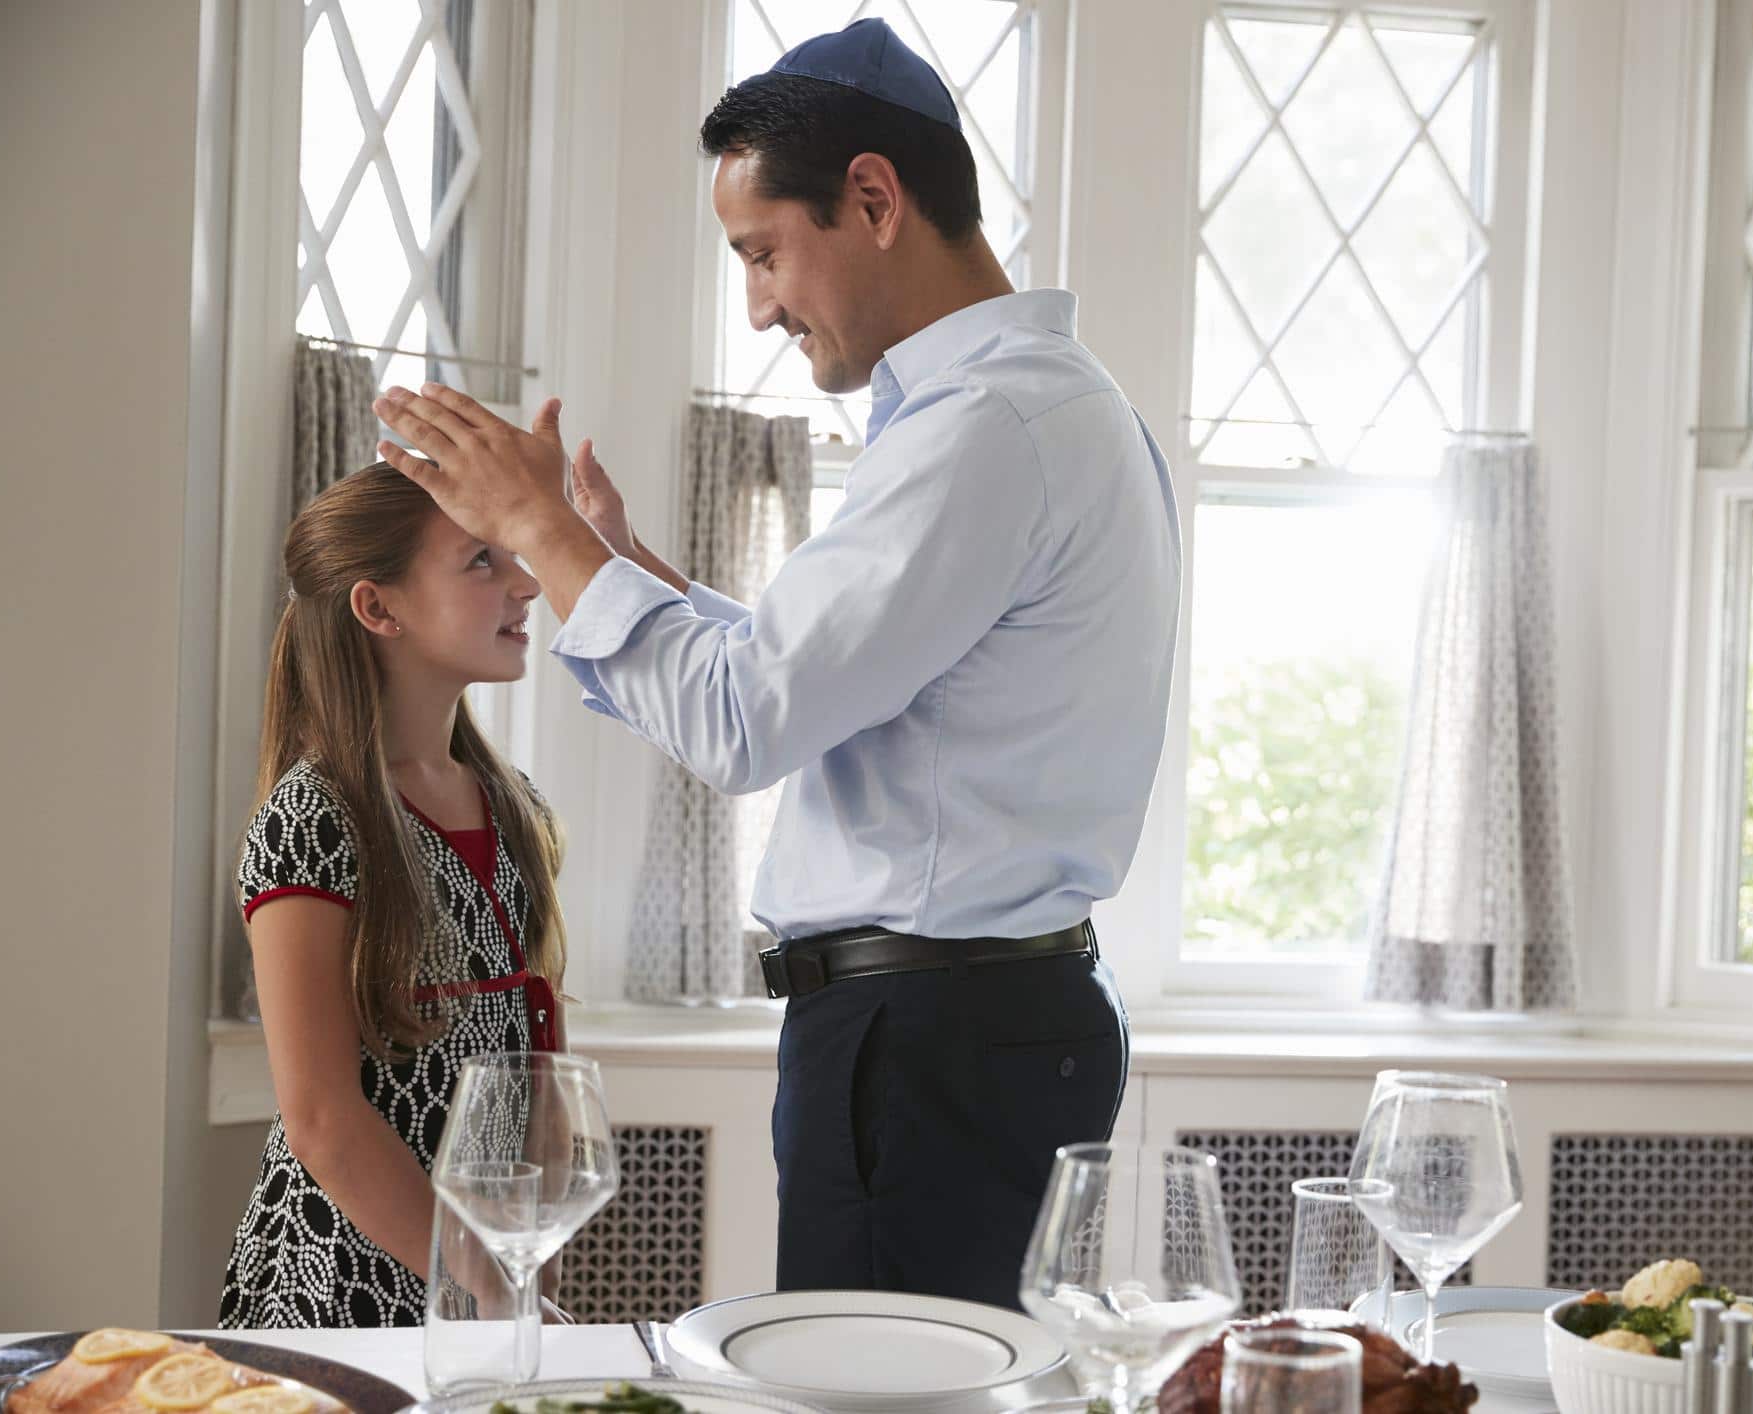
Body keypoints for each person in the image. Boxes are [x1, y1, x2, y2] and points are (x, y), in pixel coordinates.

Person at [369, 18, 1180, 1310]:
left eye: (761, 253)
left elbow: (747, 720)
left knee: (880, 1392)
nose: (755, 306)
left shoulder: (983, 429)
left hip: (925, 1039)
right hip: (976, 1025)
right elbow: (841, 681)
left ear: (870, 198)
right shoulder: (1050, 404)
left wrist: (536, 531)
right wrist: (611, 567)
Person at [220, 459, 568, 1327]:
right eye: (481, 560)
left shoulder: (515, 808)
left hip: (485, 1286)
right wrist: (484, 1287)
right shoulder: (312, 821)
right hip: (342, 1286)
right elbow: (323, 1121)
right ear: (378, 607)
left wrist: (527, 1272)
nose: (526, 584)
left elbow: (539, 1057)